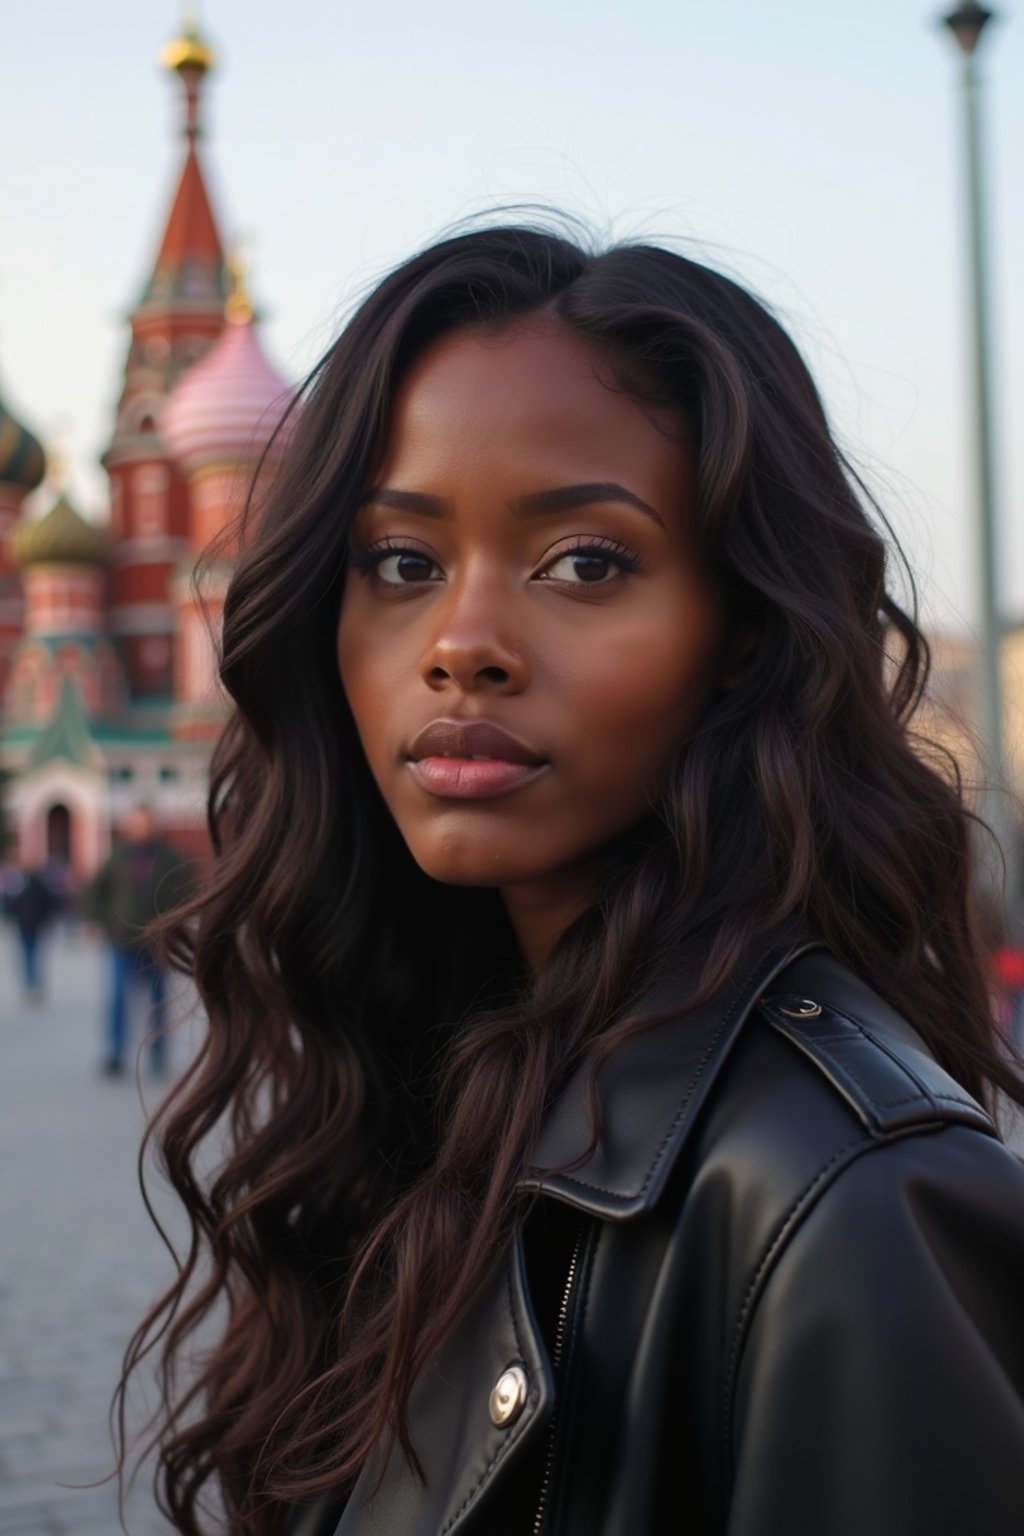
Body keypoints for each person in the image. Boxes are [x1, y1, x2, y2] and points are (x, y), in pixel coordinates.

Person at [117, 226, 1024, 1536]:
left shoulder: (845, 1209)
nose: (463, 645)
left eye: (586, 562)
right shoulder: (420, 1080)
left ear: (743, 632)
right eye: (402, 563)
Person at [81, 803, 193, 1076]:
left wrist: (175, 926)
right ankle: (115, 1052)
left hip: (157, 941)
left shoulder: (171, 857)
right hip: (121, 940)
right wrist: (98, 921)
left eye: (145, 821)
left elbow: (186, 893)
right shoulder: (117, 856)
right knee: (118, 996)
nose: (140, 827)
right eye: (135, 822)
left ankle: (158, 1052)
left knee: (158, 999)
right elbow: (95, 890)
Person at [3, 860, 60, 1004]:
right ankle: (33, 984)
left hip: (25, 925)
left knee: (28, 955)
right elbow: (51, 904)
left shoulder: (19, 887)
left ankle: (31, 984)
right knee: (33, 955)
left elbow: (12, 905)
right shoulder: (40, 886)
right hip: (33, 925)